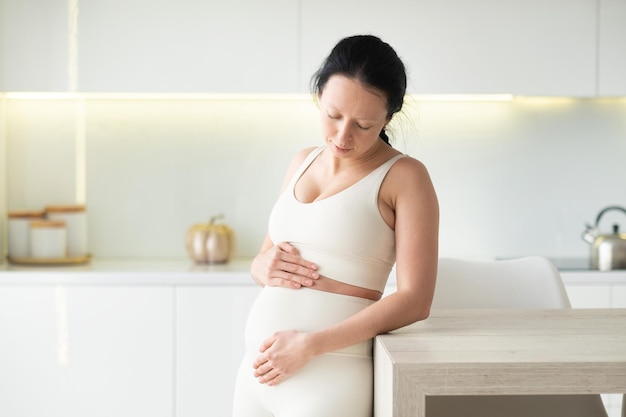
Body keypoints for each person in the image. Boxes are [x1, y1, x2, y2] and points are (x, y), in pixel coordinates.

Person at [232, 34, 439, 417]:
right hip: (255, 376)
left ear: (389, 118)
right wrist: (258, 266)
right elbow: (266, 258)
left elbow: (416, 300)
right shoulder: (301, 161)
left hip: (330, 375)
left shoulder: (405, 177)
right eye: (333, 115)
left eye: (363, 124)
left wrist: (310, 345)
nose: (343, 136)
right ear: (319, 97)